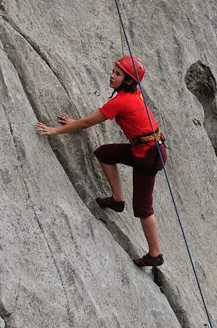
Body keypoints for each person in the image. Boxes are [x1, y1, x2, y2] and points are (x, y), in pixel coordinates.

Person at [36, 56, 166, 267]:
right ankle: (117, 200)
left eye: (117, 74)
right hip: (147, 149)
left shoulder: (121, 101)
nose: (112, 76)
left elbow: (88, 122)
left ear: (127, 81)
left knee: (143, 208)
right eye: (113, 71)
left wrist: (56, 130)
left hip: (148, 155)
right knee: (105, 154)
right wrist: (75, 123)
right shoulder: (134, 94)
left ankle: (155, 254)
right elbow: (86, 121)